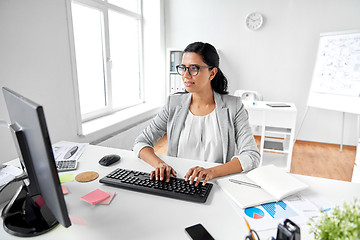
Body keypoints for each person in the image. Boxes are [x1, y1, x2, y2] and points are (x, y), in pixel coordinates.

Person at [133, 42, 260, 186]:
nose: (186, 75)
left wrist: (212, 172)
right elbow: (141, 142)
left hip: (215, 184)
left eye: (194, 68)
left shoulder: (234, 107)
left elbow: (251, 156)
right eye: (183, 68)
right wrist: (159, 164)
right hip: (177, 182)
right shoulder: (173, 104)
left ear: (212, 73)